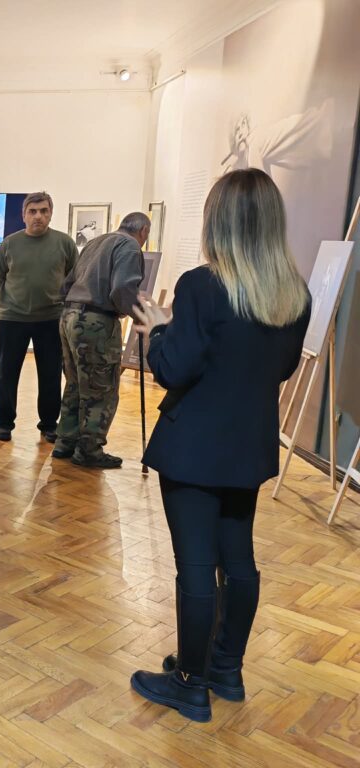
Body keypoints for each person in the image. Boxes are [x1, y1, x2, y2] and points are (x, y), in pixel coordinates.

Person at [129, 168, 310, 722]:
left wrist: (160, 329)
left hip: (194, 447)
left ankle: (189, 682)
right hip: (247, 445)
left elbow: (172, 368)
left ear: (219, 222)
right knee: (238, 560)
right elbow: (280, 368)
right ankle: (225, 668)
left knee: (195, 565)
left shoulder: (202, 287)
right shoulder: (293, 295)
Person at [53, 212, 150, 469]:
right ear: (143, 231)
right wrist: (139, 314)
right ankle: (89, 450)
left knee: (75, 382)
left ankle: (66, 441)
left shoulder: (96, 242)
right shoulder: (129, 246)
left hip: (69, 316)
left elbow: (68, 283)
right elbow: (122, 289)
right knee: (100, 387)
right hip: (96, 322)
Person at [0, 191, 78, 443]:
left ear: (50, 214)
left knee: (50, 375)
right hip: (12, 319)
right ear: (24, 215)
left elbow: (74, 277)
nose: (38, 216)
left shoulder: (64, 243)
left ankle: (49, 424)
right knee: (6, 374)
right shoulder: (10, 244)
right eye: (33, 211)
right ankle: (3, 423)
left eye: (43, 211)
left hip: (50, 319)